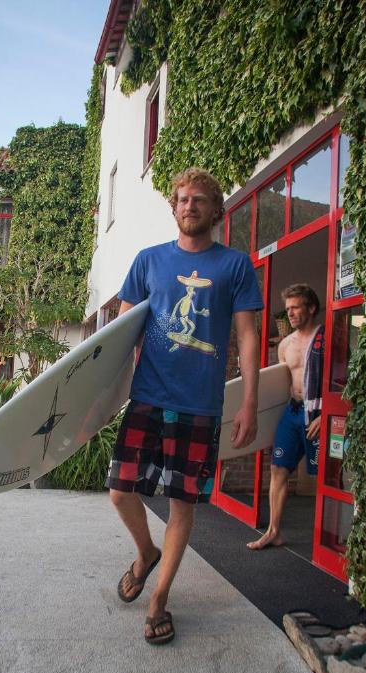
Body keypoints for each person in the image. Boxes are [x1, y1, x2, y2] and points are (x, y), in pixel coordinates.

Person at [108, 167, 263, 645]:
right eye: (181, 199)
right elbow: (121, 331)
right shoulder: (148, 261)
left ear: (215, 210)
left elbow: (247, 335)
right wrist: (102, 396)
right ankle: (145, 553)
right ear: (173, 208)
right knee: (119, 489)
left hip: (200, 405)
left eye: (198, 199)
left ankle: (158, 600)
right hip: (148, 395)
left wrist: (250, 401)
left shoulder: (235, 266)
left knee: (182, 505)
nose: (188, 205)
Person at [246, 283, 324, 551]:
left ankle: (329, 541)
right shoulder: (286, 345)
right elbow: (280, 385)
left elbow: (342, 381)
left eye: (296, 307)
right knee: (277, 469)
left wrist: (325, 416)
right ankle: (274, 531)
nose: (290, 313)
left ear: (311, 308)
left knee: (324, 476)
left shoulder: (326, 339)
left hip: (318, 415)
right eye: (288, 308)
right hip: (292, 413)